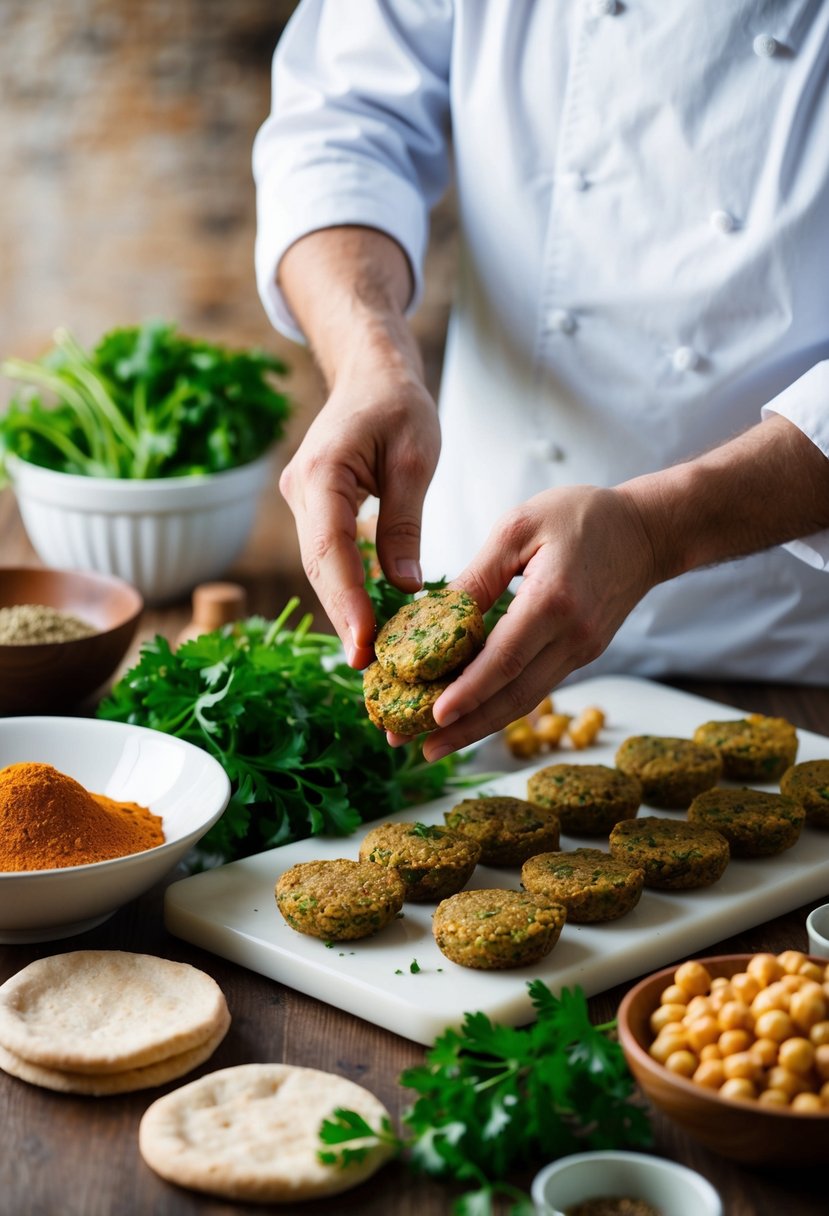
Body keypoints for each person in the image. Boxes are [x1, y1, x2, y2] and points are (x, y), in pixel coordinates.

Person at [253, 0, 829, 763]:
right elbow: (340, 123)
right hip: (486, 616)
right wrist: (370, 362)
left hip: (793, 656)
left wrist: (657, 530)